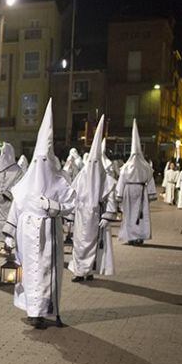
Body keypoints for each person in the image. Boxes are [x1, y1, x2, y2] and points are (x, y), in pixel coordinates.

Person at [3, 99, 76, 330]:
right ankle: (32, 311)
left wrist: (52, 205)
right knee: (28, 272)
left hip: (49, 234)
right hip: (26, 235)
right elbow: (16, 208)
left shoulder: (59, 182)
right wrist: (9, 236)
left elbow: (72, 204)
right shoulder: (25, 185)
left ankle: (43, 311)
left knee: (46, 272)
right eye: (39, 160)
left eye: (46, 160)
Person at [68, 116, 118, 282]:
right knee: (79, 243)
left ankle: (88, 271)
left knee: (92, 245)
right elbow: (73, 195)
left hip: (96, 216)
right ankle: (78, 271)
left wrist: (107, 216)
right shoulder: (81, 176)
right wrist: (71, 214)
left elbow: (111, 199)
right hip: (81, 216)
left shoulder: (106, 179)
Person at [116, 120, 157, 246]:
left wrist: (119, 194)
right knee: (138, 214)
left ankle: (133, 236)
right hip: (141, 191)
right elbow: (150, 180)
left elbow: (121, 181)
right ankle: (137, 236)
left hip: (130, 191)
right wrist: (150, 193)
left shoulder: (126, 167)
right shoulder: (145, 166)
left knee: (133, 214)